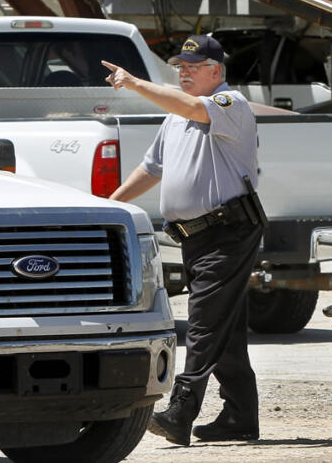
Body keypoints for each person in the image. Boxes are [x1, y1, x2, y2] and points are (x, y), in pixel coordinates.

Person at [103, 33, 264, 447]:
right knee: (224, 329)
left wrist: (135, 83)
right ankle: (240, 417)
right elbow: (152, 167)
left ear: (217, 71)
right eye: (179, 68)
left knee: (205, 323)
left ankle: (181, 412)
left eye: (193, 68)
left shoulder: (230, 104)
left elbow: (194, 107)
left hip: (228, 231)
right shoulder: (175, 115)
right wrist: (111, 204)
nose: (184, 73)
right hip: (195, 237)